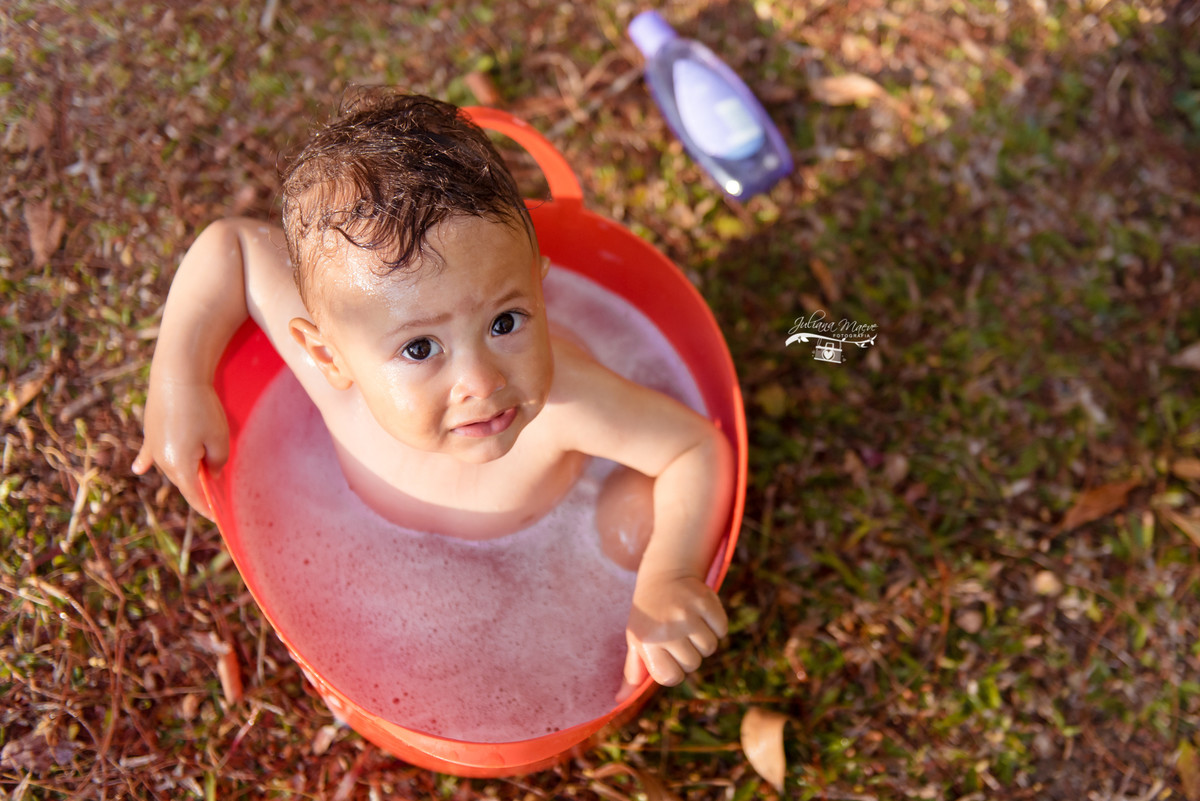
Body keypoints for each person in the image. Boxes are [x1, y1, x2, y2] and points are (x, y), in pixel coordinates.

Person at [133, 92, 733, 694]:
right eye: (420, 349)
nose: (482, 382)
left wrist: (672, 573)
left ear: (538, 286)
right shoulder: (337, 385)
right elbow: (232, 246)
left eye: (506, 322)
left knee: (632, 525)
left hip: (566, 521)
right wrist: (177, 380)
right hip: (419, 561)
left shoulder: (564, 403)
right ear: (329, 355)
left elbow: (693, 449)